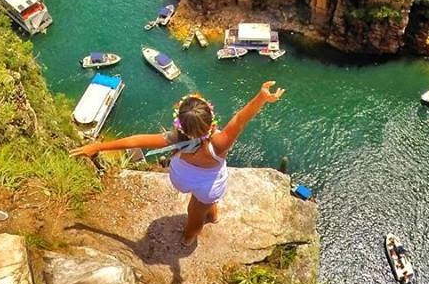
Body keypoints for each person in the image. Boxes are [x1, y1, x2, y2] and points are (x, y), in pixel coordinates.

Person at [70, 80, 285, 245]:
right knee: (196, 212)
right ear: (211, 123)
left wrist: (97, 146)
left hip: (182, 177)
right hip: (209, 184)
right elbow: (240, 118)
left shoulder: (176, 138)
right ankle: (188, 239)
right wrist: (261, 97)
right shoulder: (219, 143)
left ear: (180, 124)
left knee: (201, 204)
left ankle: (211, 212)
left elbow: (135, 140)